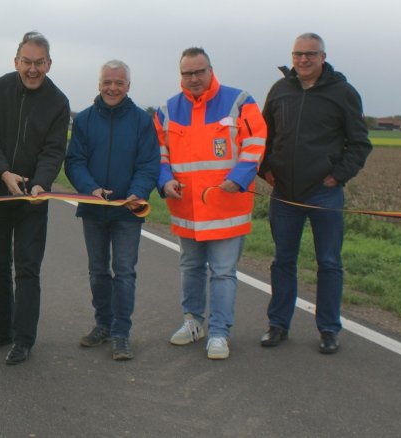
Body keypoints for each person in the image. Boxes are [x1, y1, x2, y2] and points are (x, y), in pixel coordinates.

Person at [258, 33, 372, 354]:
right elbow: (263, 135)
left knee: (329, 262)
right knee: (282, 261)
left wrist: (337, 176)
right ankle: (278, 324)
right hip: (284, 194)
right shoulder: (280, 90)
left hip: (324, 194)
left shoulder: (343, 93)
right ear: (292, 57)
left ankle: (328, 329)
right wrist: (264, 168)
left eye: (310, 54)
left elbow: (360, 143)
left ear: (323, 57)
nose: (303, 60)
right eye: (298, 54)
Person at [155, 48, 267, 360]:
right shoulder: (166, 110)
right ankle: (193, 322)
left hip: (226, 207)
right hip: (187, 209)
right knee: (189, 267)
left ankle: (219, 333)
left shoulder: (239, 101)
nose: (192, 79)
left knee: (222, 272)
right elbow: (160, 154)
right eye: (186, 73)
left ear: (210, 70)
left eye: (198, 72)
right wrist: (164, 181)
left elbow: (255, 142)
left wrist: (240, 177)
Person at [0, 31, 70, 365]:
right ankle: (0, 330)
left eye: (39, 63)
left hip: (33, 198)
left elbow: (54, 149)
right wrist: (3, 173)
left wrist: (41, 184)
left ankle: (24, 339)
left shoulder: (58, 102)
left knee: (27, 269)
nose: (33, 69)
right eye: (27, 62)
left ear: (49, 63)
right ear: (16, 62)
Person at [64, 60, 159, 361]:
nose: (113, 88)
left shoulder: (143, 121)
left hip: (128, 212)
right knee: (97, 272)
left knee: (125, 273)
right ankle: (102, 324)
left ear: (128, 86)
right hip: (93, 210)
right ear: (99, 84)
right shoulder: (85, 120)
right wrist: (91, 189)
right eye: (108, 82)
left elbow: (149, 164)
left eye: (119, 82)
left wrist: (138, 193)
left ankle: (121, 333)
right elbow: (75, 161)